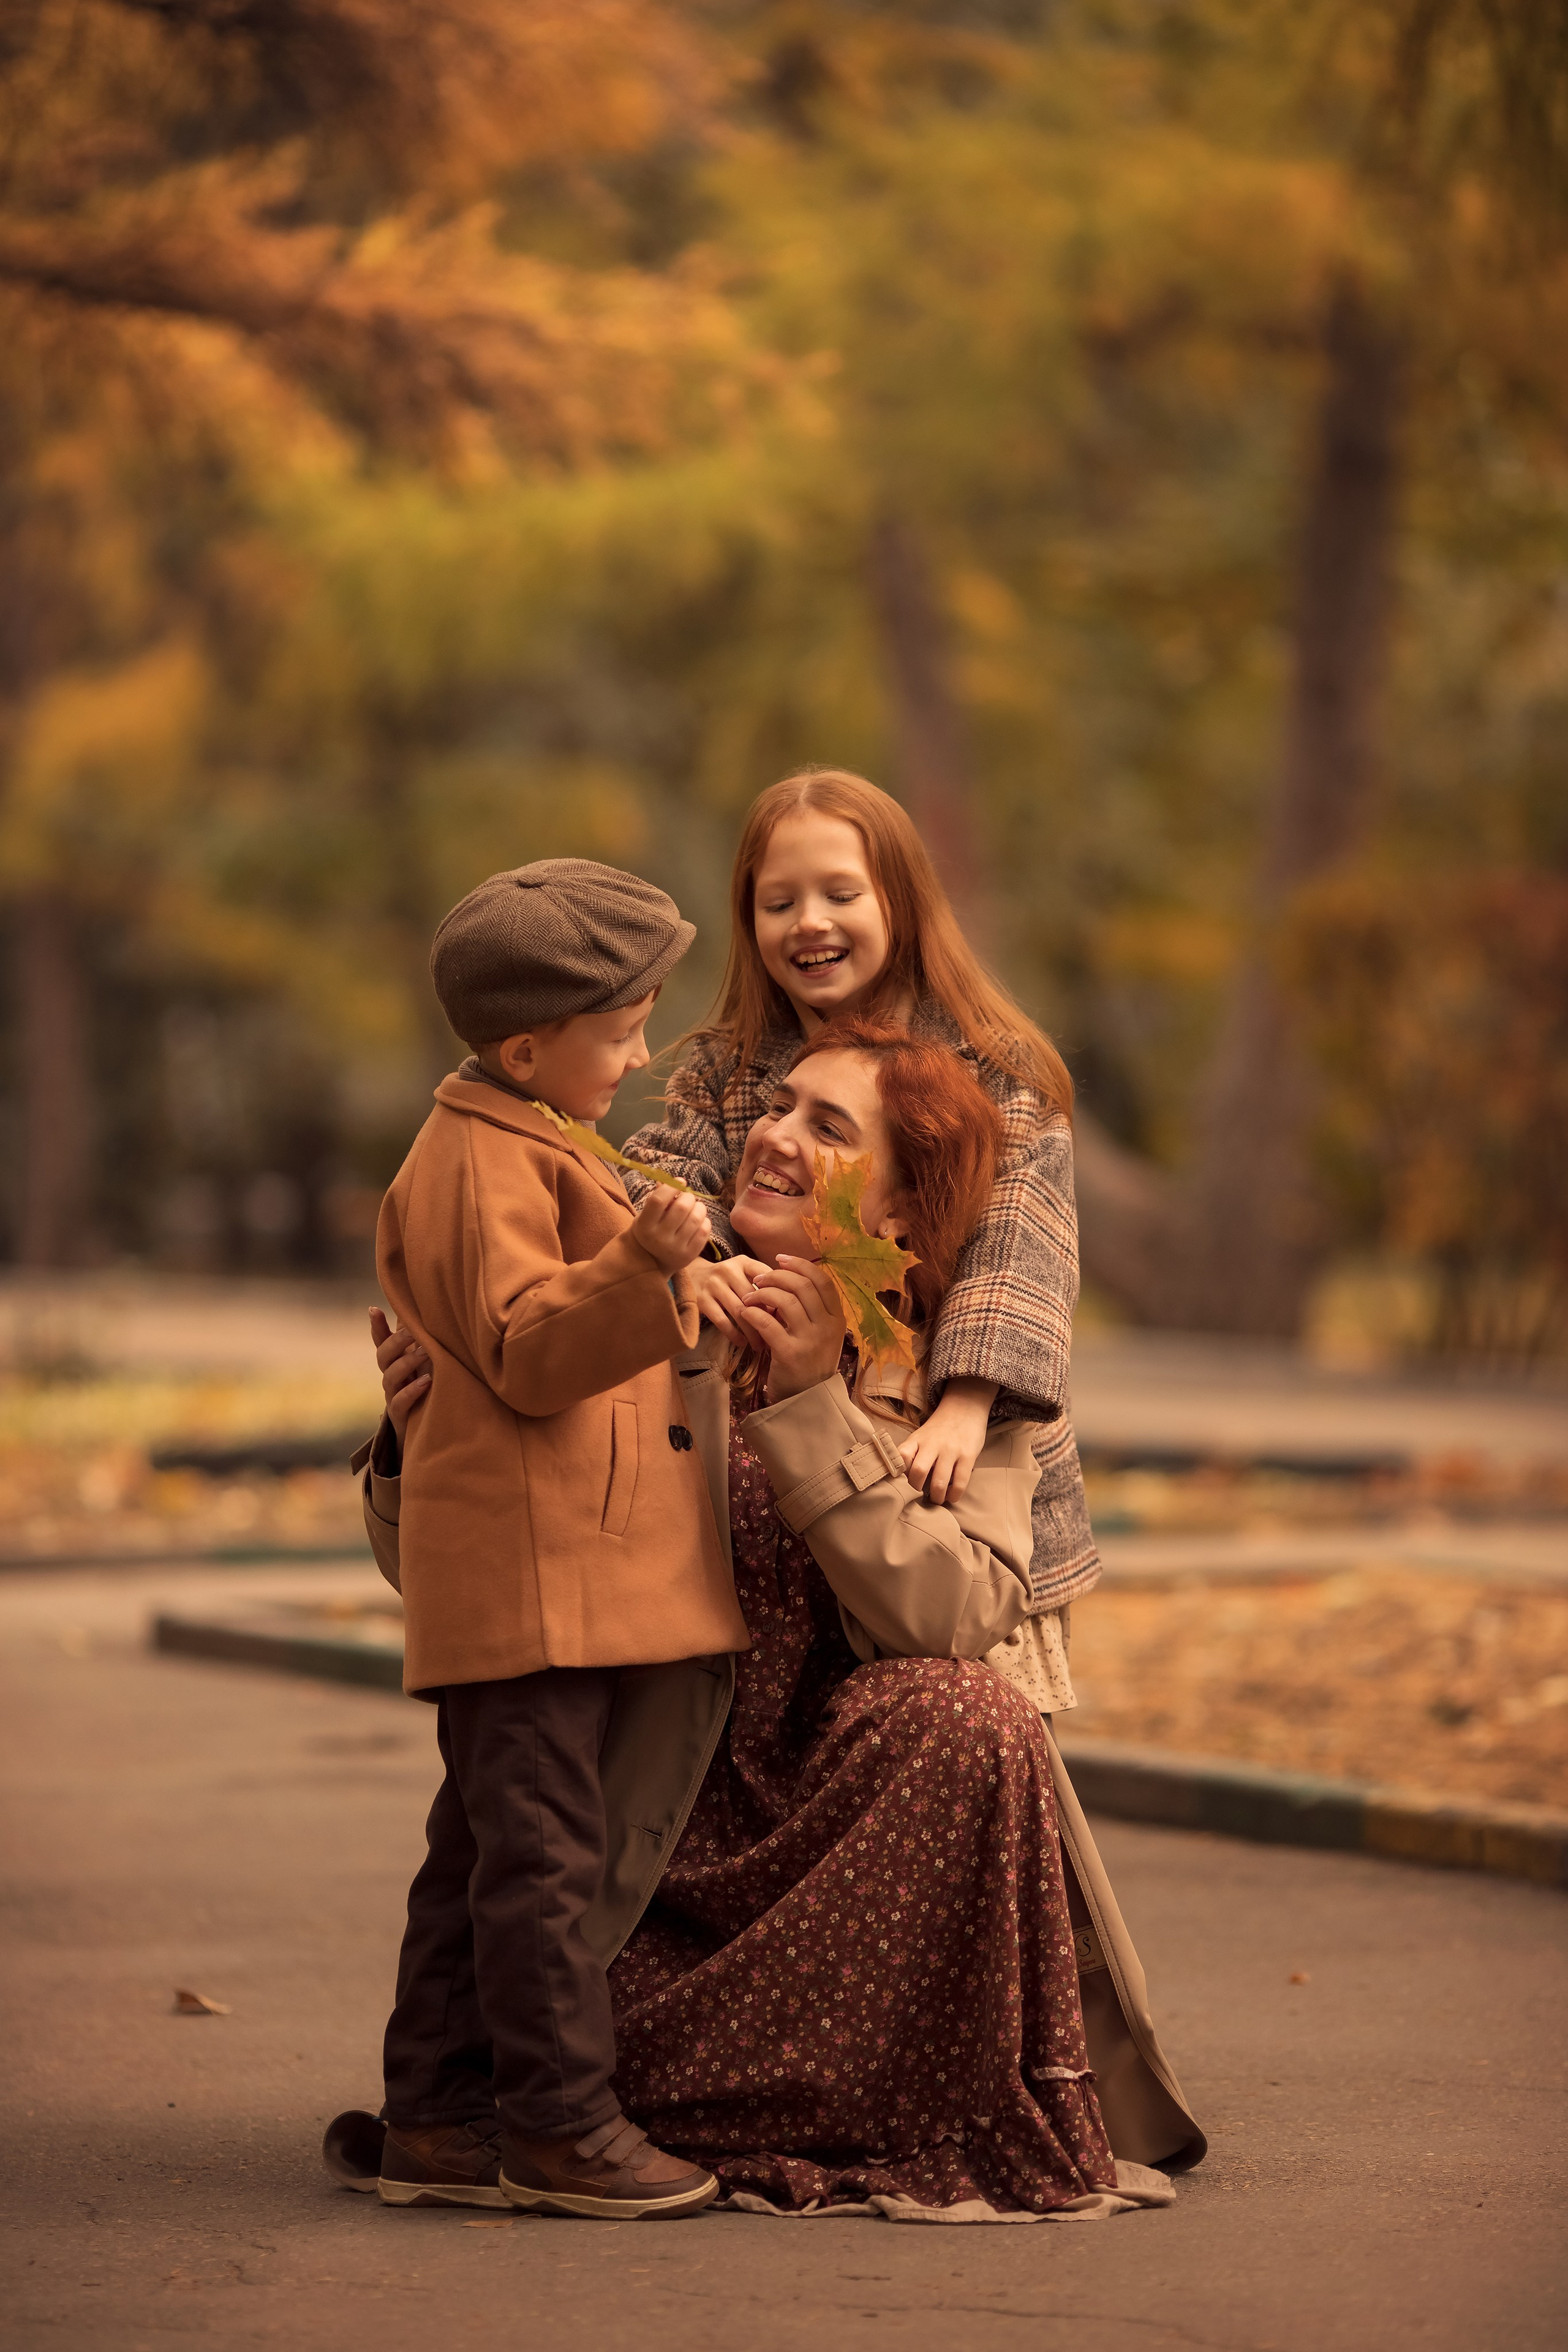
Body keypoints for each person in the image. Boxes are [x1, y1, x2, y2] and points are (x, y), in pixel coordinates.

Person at [352, 1021, 1204, 2220]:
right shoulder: (636, 1310)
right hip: (658, 1864)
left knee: (971, 1716)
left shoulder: (959, 1383)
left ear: (899, 1217)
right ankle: (619, 2096)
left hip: (851, 1885)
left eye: (828, 1127)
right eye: (780, 1107)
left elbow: (958, 1612)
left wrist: (808, 1404)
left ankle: (850, 2090)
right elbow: (470, 1584)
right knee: (572, 1998)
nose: (775, 1137)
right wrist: (417, 1445)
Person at [363, 857, 750, 2222]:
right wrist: (646, 1264)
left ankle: (438, 2113)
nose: (641, 1054)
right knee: (541, 1858)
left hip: (554, 1570)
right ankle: (560, 2126)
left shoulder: (533, 1134)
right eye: (623, 1028)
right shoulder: (477, 1161)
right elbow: (531, 1351)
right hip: (529, 1577)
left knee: (484, 1847)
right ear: (529, 1044)